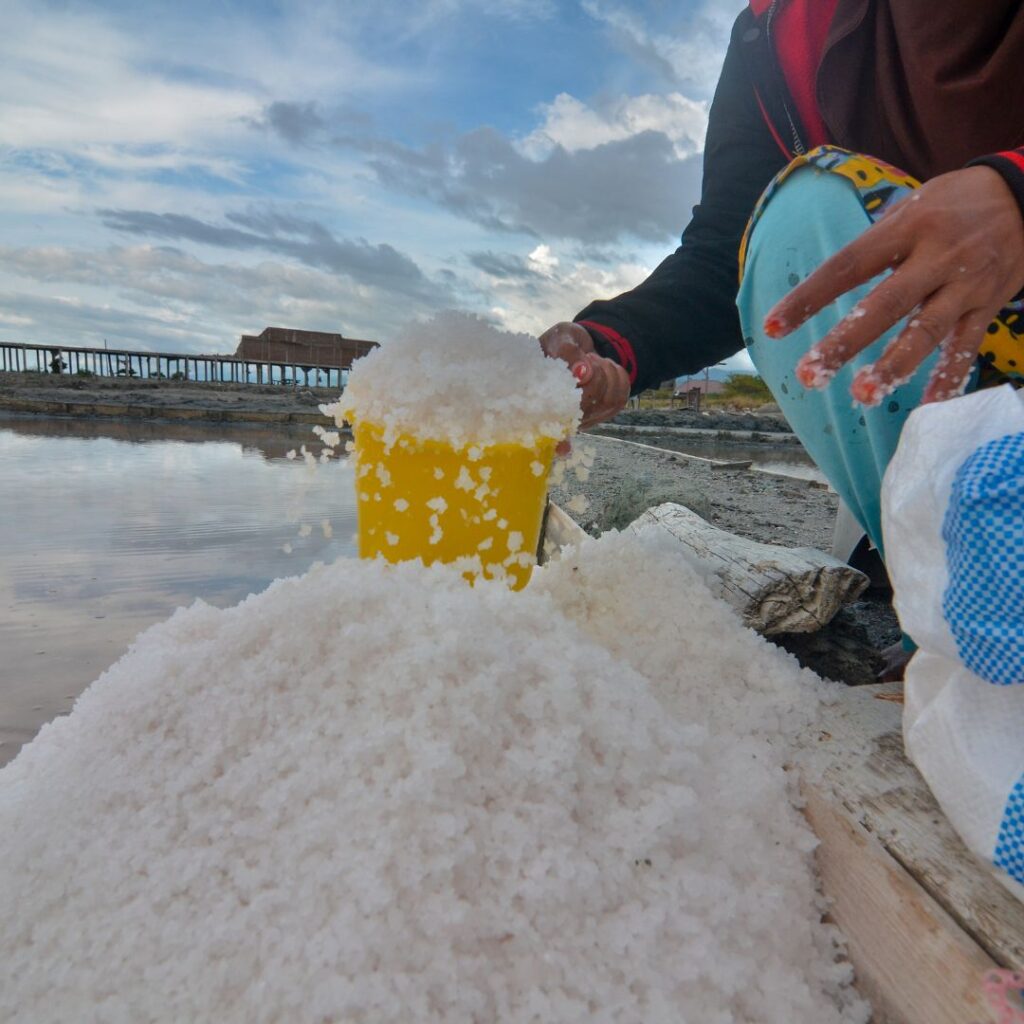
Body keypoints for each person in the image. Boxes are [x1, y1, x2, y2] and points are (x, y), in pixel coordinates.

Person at [541, 0, 1024, 568]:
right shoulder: (773, 30)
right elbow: (729, 252)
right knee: (799, 214)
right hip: (931, 386)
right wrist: (609, 341)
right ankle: (953, 581)